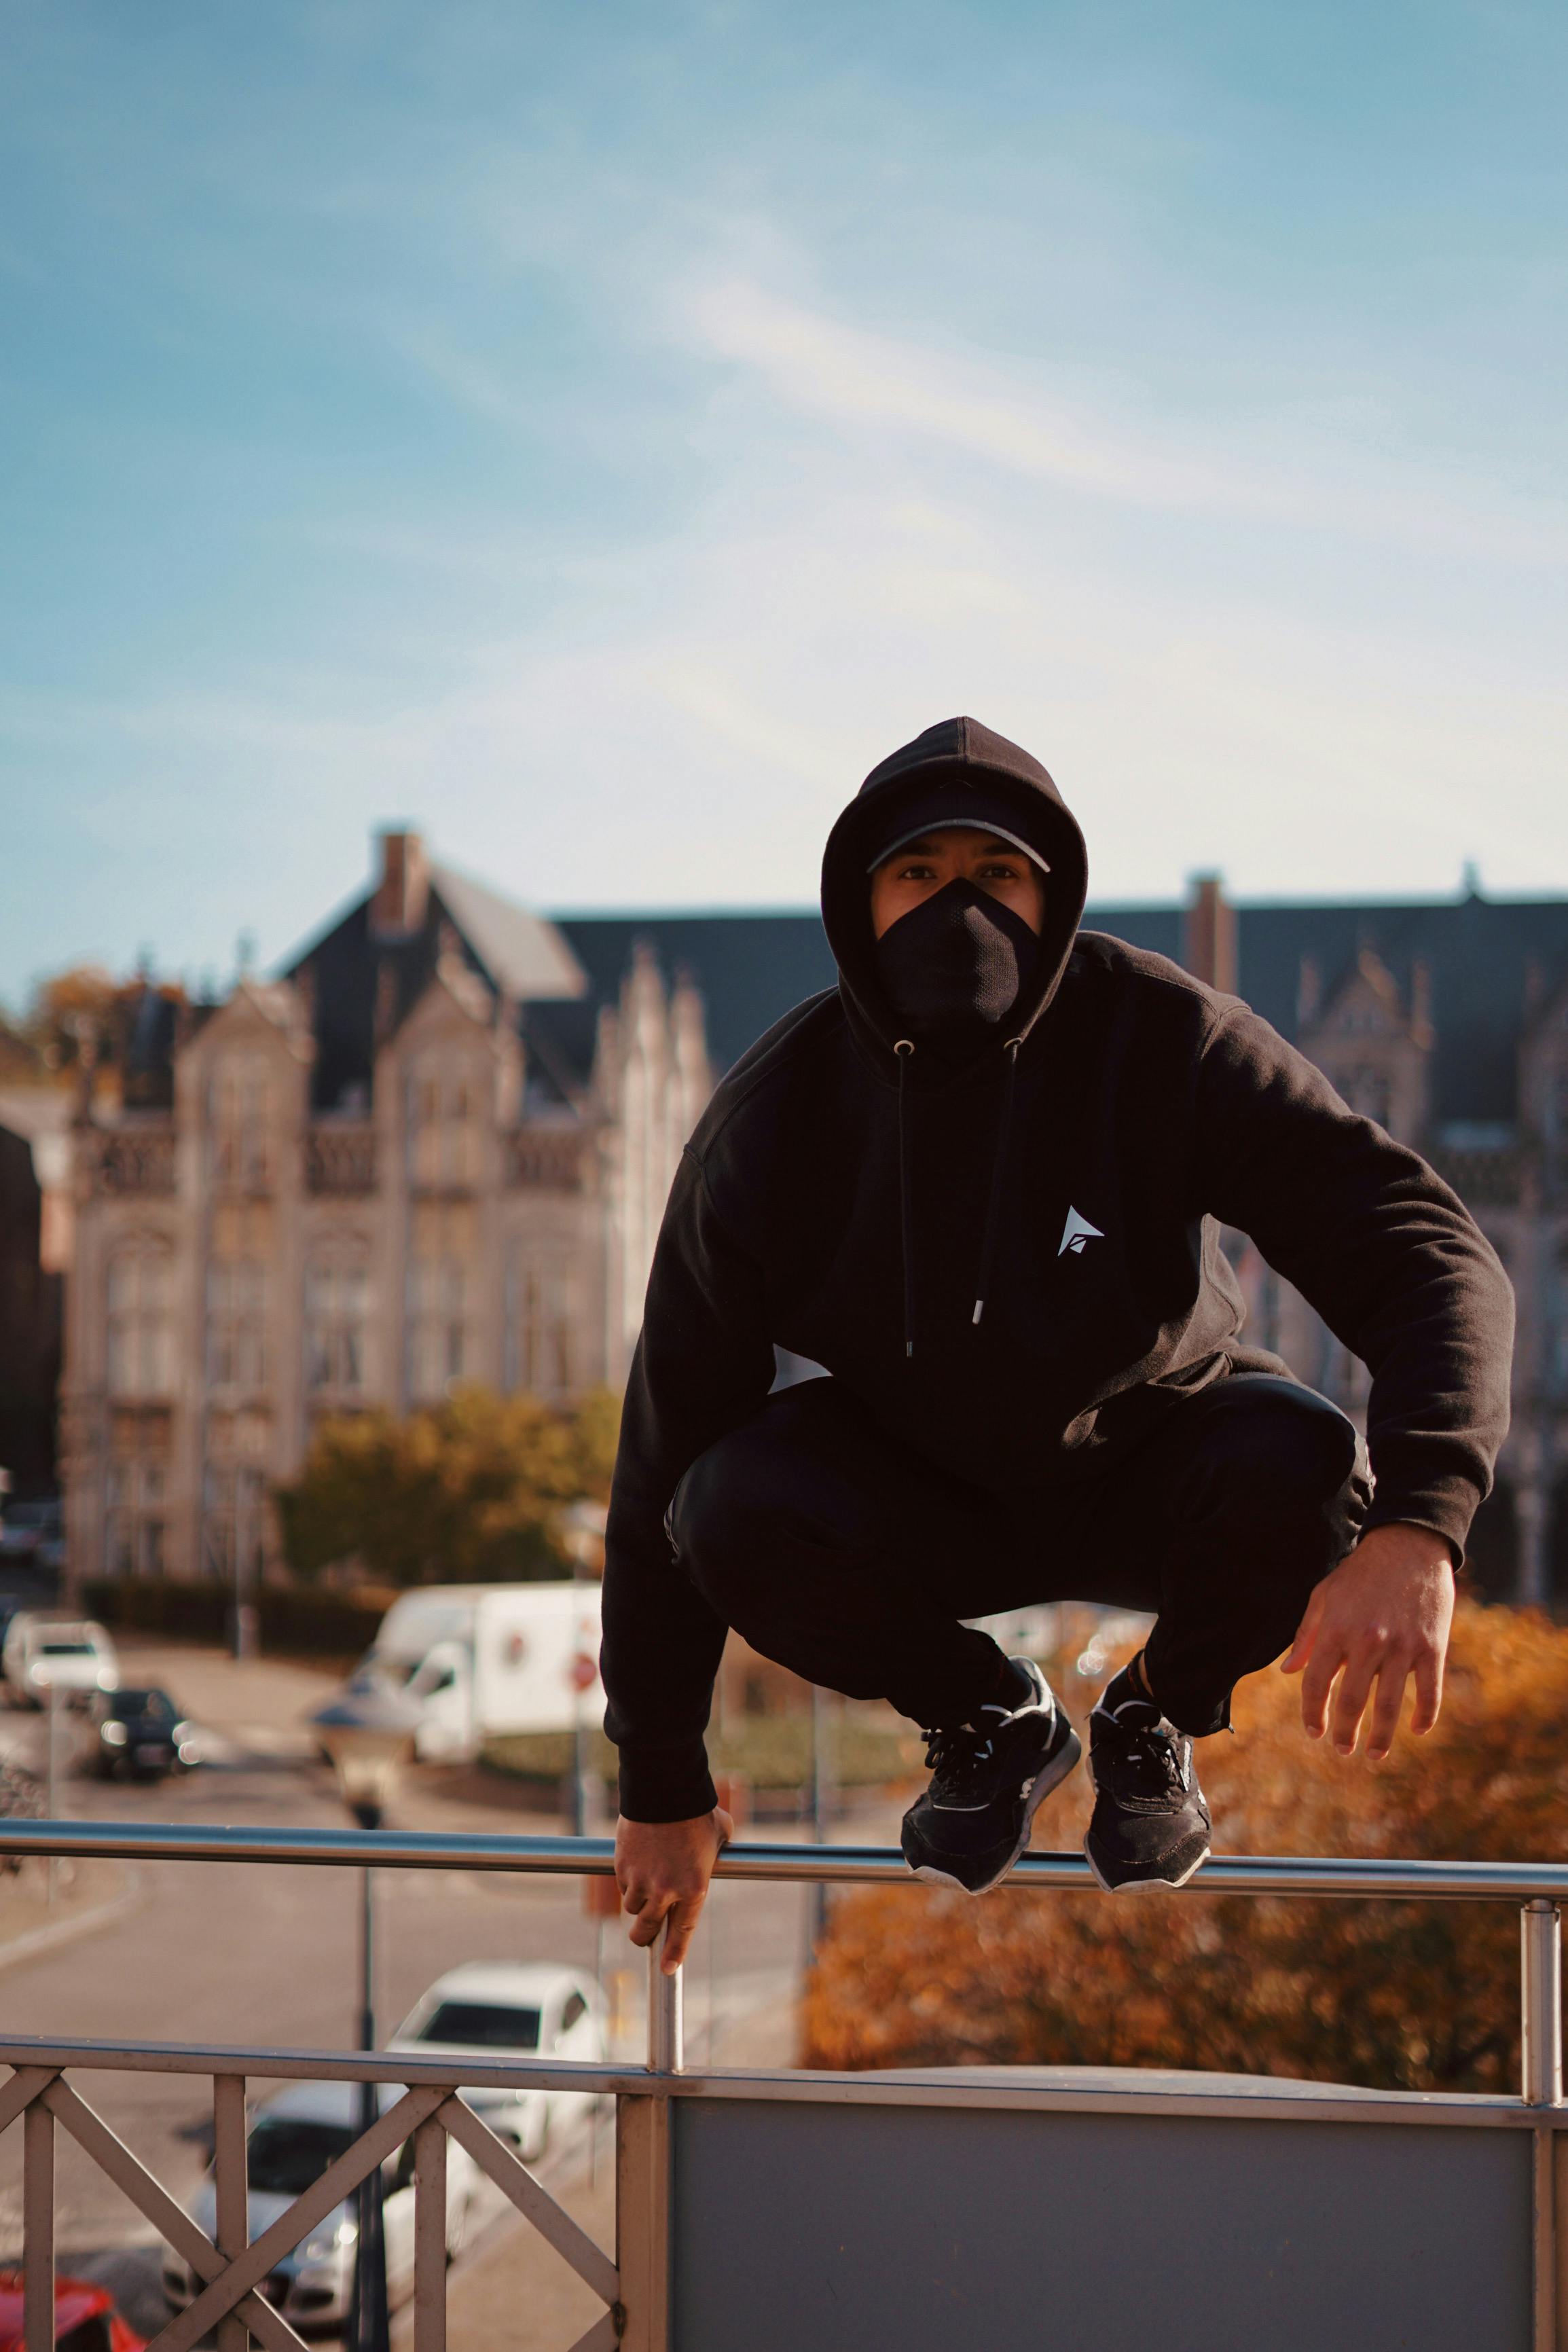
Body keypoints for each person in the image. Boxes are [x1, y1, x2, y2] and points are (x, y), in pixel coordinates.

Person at [604, 716, 1514, 1970]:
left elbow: (1419, 1242)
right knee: (722, 1507)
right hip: (916, 1493)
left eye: (997, 876)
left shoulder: (1160, 1037)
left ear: (1053, 897)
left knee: (1305, 1461)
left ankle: (1154, 1717)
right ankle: (986, 1713)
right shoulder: (775, 1121)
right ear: (858, 903)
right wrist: (660, 1778)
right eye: (917, 876)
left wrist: (1422, 1523)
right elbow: (662, 1443)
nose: (955, 913)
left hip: (1157, 1455)